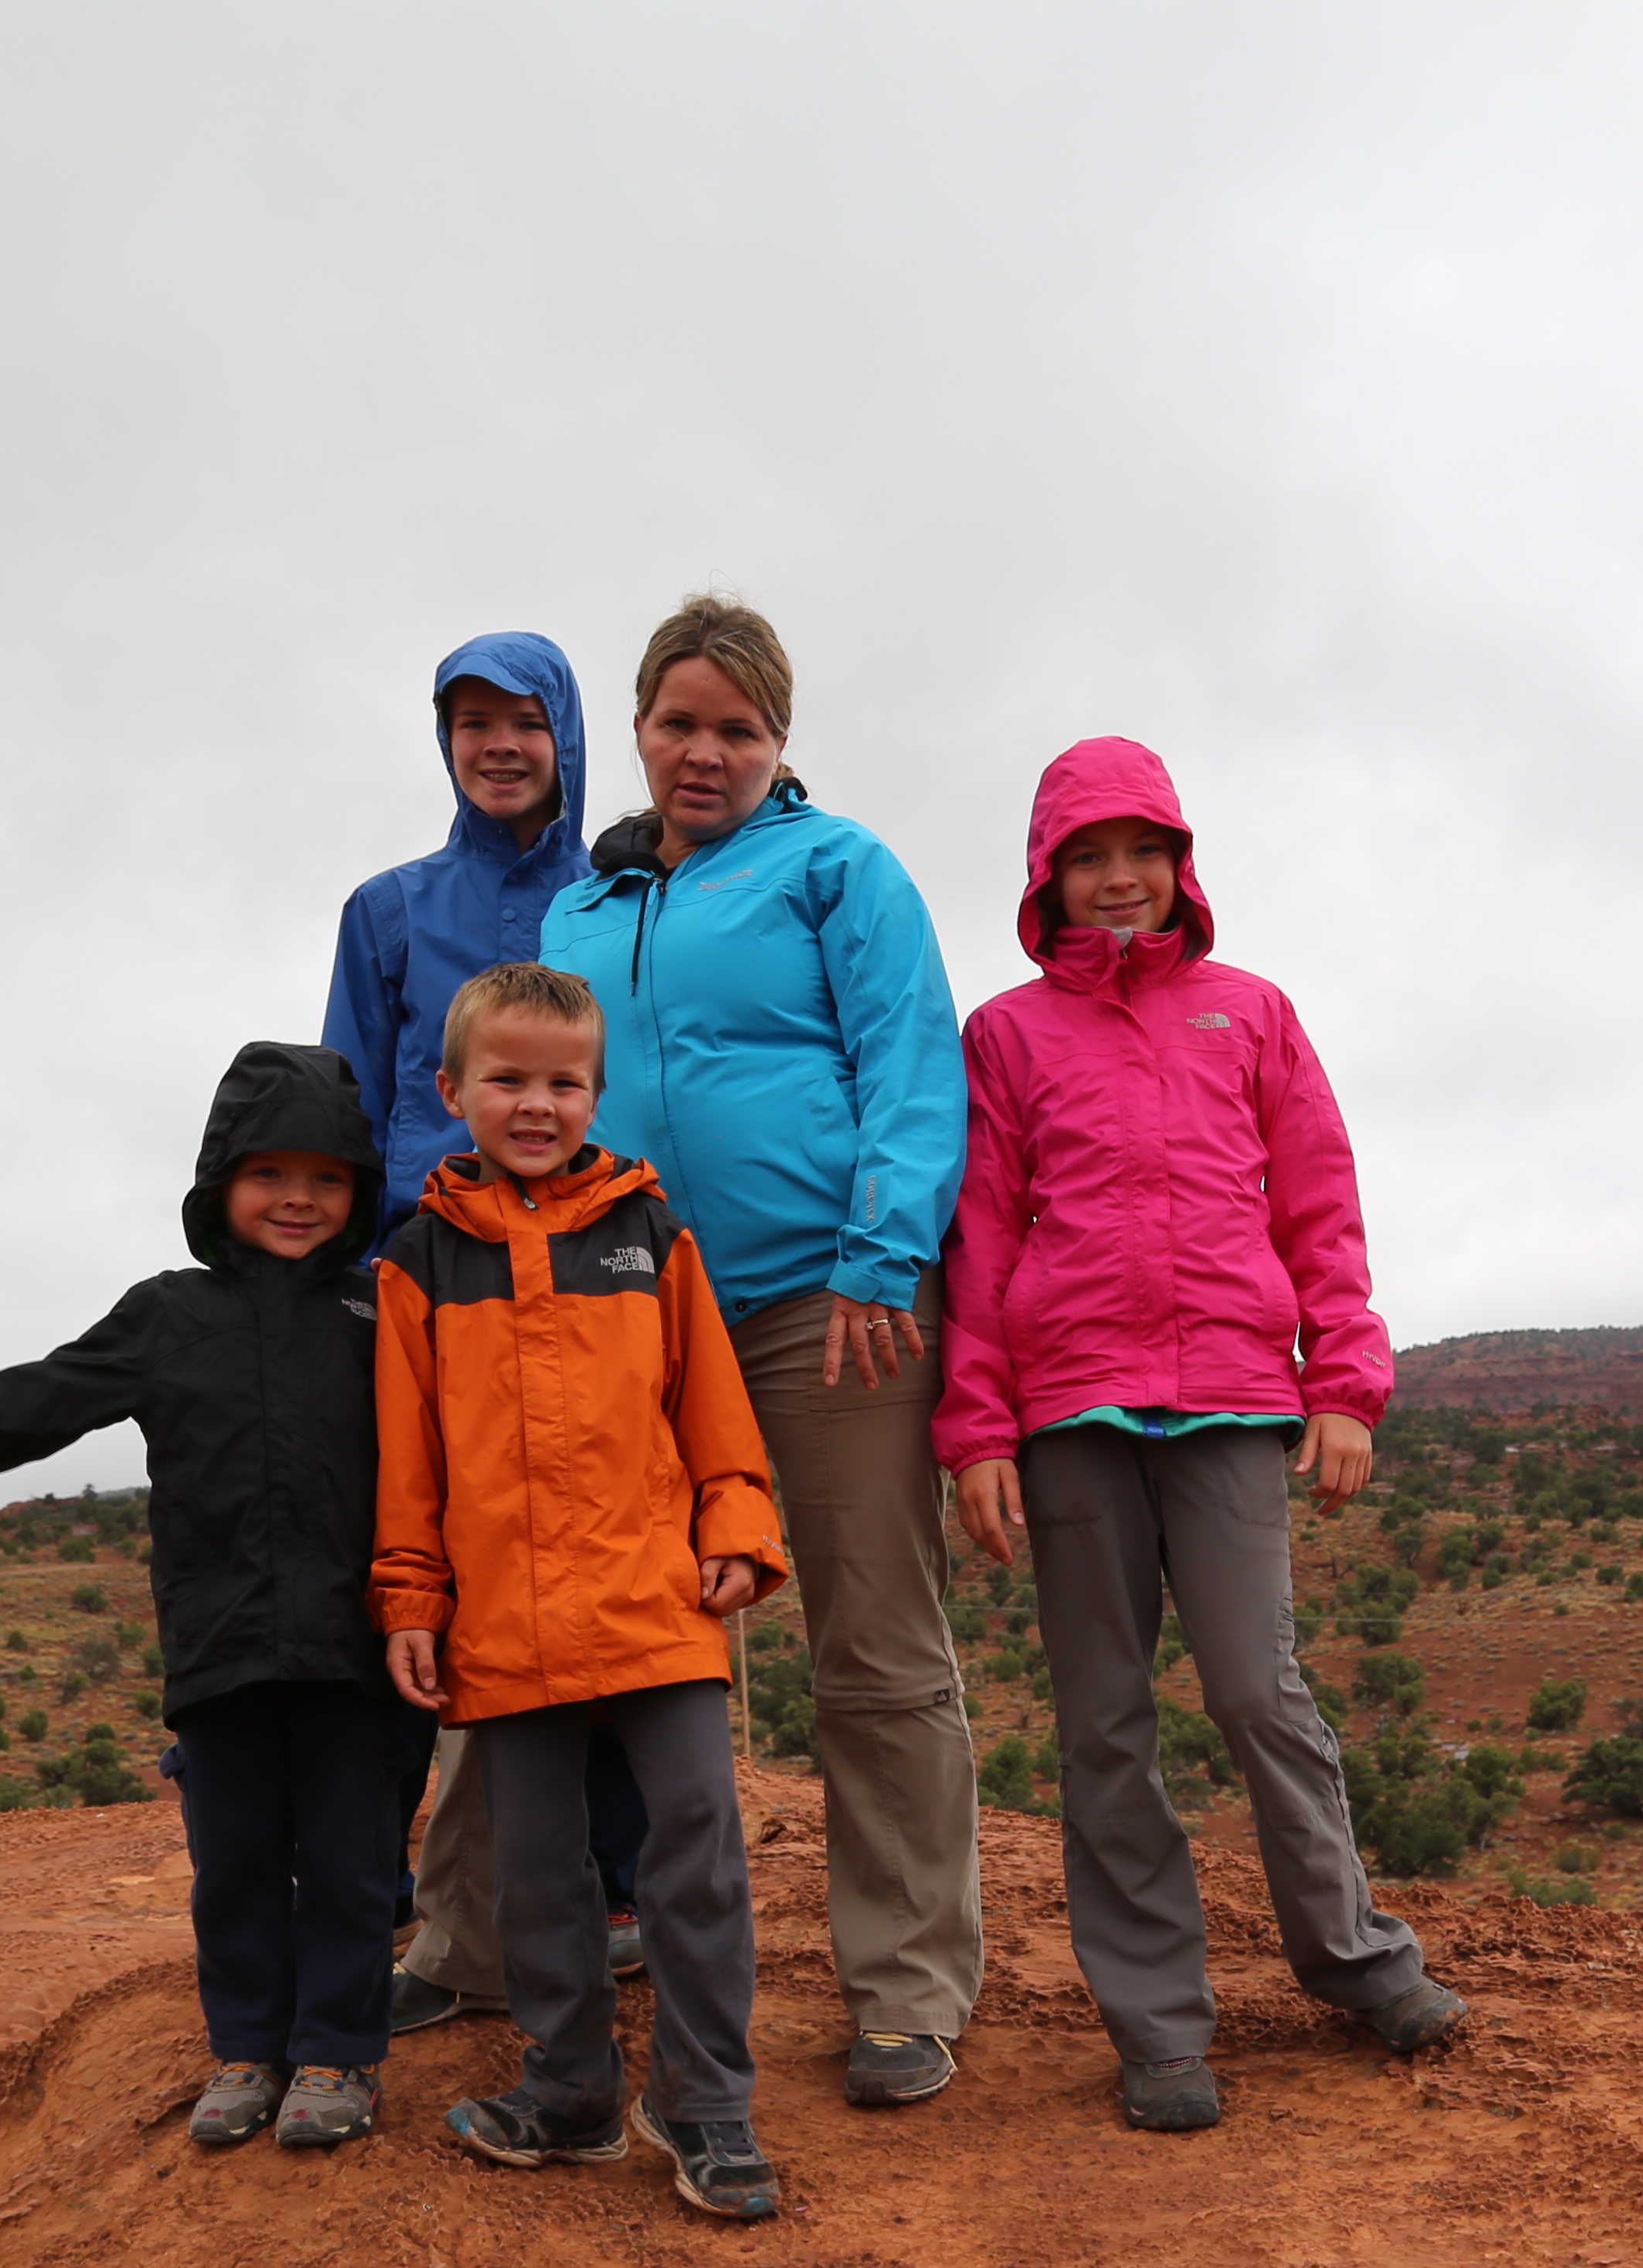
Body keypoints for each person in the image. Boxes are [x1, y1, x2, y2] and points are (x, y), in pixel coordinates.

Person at [935, 739, 1466, 2131]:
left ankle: (1354, 1959)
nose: (1119, 881)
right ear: (1049, 879)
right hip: (1069, 1409)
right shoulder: (1005, 1035)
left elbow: (1319, 1201)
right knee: (1104, 1723)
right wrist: (976, 1428)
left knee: (1255, 1689)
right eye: (1088, 859)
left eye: (1142, 853)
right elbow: (983, 1238)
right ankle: (1160, 2028)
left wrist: (1345, 1382)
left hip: (1236, 1393)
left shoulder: (1253, 1014)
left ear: (1182, 864)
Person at [539, 595, 982, 2110]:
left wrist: (881, 1251)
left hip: (825, 1306)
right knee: (658, 1651)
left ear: (780, 741)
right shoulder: (581, 916)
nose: (704, 751)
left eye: (737, 727)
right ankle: (674, 1961)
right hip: (638, 1317)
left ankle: (907, 1990)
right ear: (643, 728)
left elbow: (913, 1060)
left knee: (871, 1645)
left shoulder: (839, 868)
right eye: (679, 722)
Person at [0, 1042, 418, 2152]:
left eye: (327, 1179)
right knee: (235, 1862)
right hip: (221, 1641)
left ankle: (337, 2055)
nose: (298, 1199)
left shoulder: (384, 1312)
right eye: (269, 1176)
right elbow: (39, 1400)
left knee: (350, 1858)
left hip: (357, 1647)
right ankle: (247, 2049)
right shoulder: (164, 1316)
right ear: (218, 1184)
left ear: (358, 1192)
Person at [375, 961, 790, 2222]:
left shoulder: (650, 1235)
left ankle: (705, 2100)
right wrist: (410, 1597)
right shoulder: (420, 1260)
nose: (537, 1105)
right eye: (507, 1080)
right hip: (502, 1613)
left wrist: (737, 1520)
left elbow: (708, 1402)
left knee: (698, 1857)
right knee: (540, 1871)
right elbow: (410, 1459)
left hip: (655, 1597)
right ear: (454, 1092)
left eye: (563, 1082)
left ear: (598, 1093)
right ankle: (567, 2094)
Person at [317, 630, 649, 2029]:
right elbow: (341, 1086)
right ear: (444, 744)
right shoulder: (390, 908)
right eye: (472, 725)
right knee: (421, 1565)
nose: (500, 746)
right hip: (420, 1263)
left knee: (600, 1557)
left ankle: (619, 1896)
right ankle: (424, 1917)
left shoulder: (619, 895)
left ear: (568, 735)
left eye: (525, 721)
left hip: (591, 1263)